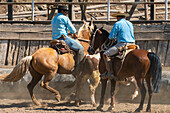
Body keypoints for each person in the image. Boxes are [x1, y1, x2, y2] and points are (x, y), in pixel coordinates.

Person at [100, 11, 135, 79]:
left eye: (117, 17)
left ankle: (110, 73)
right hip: (132, 44)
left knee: (105, 54)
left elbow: (111, 37)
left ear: (118, 17)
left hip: (122, 44)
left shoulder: (118, 24)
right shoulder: (130, 23)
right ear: (124, 17)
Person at [51, 5, 84, 72]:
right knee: (81, 49)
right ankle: (79, 68)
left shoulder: (54, 19)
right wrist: (74, 34)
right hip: (63, 39)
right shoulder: (64, 18)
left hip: (55, 38)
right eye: (65, 11)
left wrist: (67, 33)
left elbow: (59, 29)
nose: (66, 12)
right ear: (62, 11)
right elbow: (72, 28)